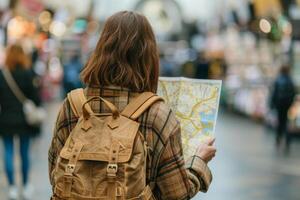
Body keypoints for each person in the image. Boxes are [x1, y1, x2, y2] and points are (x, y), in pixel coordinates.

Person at [48, 11, 216, 200]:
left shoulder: (73, 106)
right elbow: (177, 194)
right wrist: (199, 162)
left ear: (101, 49)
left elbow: (56, 174)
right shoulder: (157, 114)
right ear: (148, 56)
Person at [0, 44, 41, 199]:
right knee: (24, 153)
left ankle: (11, 187)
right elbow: (36, 99)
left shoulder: (2, 74)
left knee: (8, 153)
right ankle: (25, 186)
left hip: (6, 119)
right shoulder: (28, 73)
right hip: (25, 120)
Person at [271, 65, 296, 147]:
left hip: (279, 105)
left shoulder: (278, 80)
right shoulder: (290, 81)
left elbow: (274, 94)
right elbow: (293, 93)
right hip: (288, 105)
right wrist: (291, 103)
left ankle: (278, 138)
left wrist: (272, 104)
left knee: (280, 121)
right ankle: (287, 139)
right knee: (286, 122)